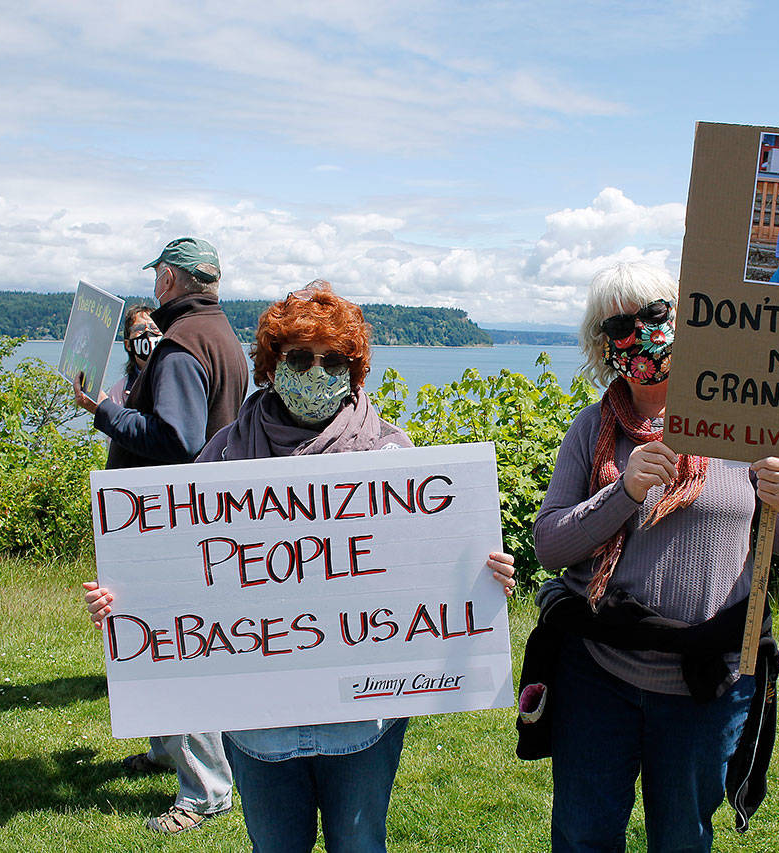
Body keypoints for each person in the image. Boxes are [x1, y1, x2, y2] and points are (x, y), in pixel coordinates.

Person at [86, 281, 516, 853]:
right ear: (270, 366)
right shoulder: (221, 458)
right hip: (257, 723)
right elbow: (181, 577)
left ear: (354, 370)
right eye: (299, 358)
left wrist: (481, 580)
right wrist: (128, 604)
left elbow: (426, 570)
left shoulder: (393, 458)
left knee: (359, 845)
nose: (316, 372)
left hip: (365, 720)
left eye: (333, 360)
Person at [532, 261, 779, 852]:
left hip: (707, 682)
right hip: (598, 674)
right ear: (603, 343)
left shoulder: (747, 420)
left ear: (689, 318)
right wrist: (624, 491)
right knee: (584, 836)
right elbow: (551, 545)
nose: (640, 334)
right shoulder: (593, 431)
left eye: (656, 314)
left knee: (683, 838)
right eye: (620, 325)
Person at [75, 236, 249, 834]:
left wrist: (105, 410)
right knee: (162, 638)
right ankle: (165, 751)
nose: (154, 286)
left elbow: (177, 440)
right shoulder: (222, 336)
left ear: (170, 281)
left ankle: (206, 791)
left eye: (158, 277)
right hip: (203, 515)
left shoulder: (179, 347)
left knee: (179, 650)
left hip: (170, 521)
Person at [105, 303, 159, 406]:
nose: (147, 332)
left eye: (154, 328)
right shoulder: (120, 391)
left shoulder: (177, 377)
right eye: (139, 328)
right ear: (128, 344)